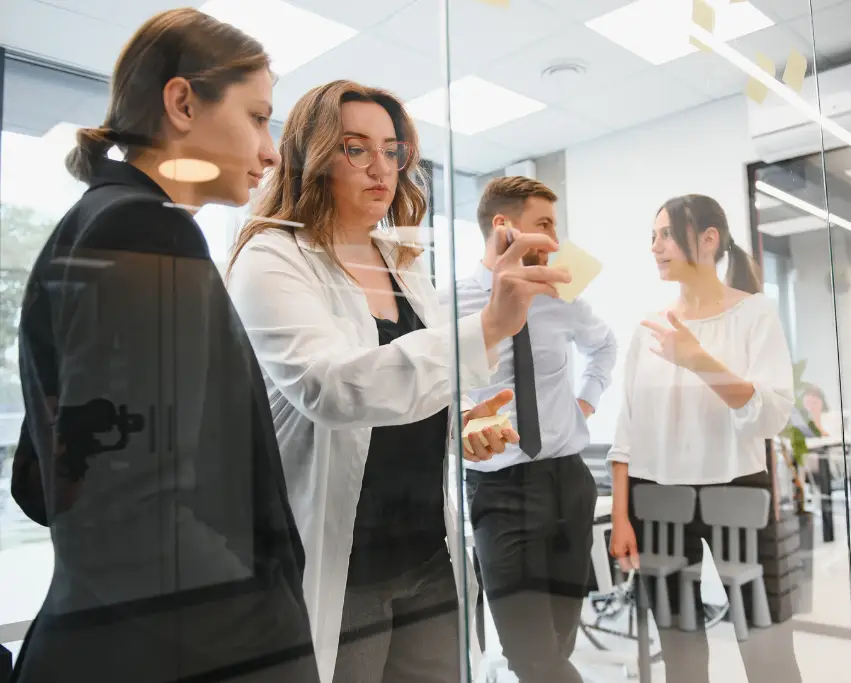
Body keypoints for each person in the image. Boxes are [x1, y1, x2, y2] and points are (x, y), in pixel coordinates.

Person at [225, 80, 569, 683]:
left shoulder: (403, 266)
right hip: (346, 564)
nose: (380, 168)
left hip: (424, 553)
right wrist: (488, 325)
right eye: (356, 149)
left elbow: (416, 387)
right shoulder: (272, 256)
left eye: (393, 150)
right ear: (312, 155)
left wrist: (461, 423)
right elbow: (332, 388)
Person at [10, 9, 318, 682]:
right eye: (258, 117)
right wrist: (275, 635)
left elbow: (47, 483)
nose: (270, 152)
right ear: (182, 102)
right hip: (180, 650)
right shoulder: (148, 233)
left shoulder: (98, 223)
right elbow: (129, 513)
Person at [607, 194, 800, 682]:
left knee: (765, 642)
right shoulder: (648, 329)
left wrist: (697, 359)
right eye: (652, 237)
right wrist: (620, 515)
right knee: (681, 652)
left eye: (666, 234)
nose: (655, 247)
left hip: (735, 489)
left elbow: (771, 413)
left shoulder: (754, 314)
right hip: (656, 499)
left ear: (708, 239)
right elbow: (626, 429)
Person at [444, 176, 617, 683]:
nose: (555, 240)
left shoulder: (558, 294)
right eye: (544, 225)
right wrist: (462, 423)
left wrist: (585, 400)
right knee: (533, 658)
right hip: (500, 490)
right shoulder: (448, 304)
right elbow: (435, 389)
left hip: (568, 481)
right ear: (504, 227)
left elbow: (604, 347)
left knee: (558, 643)